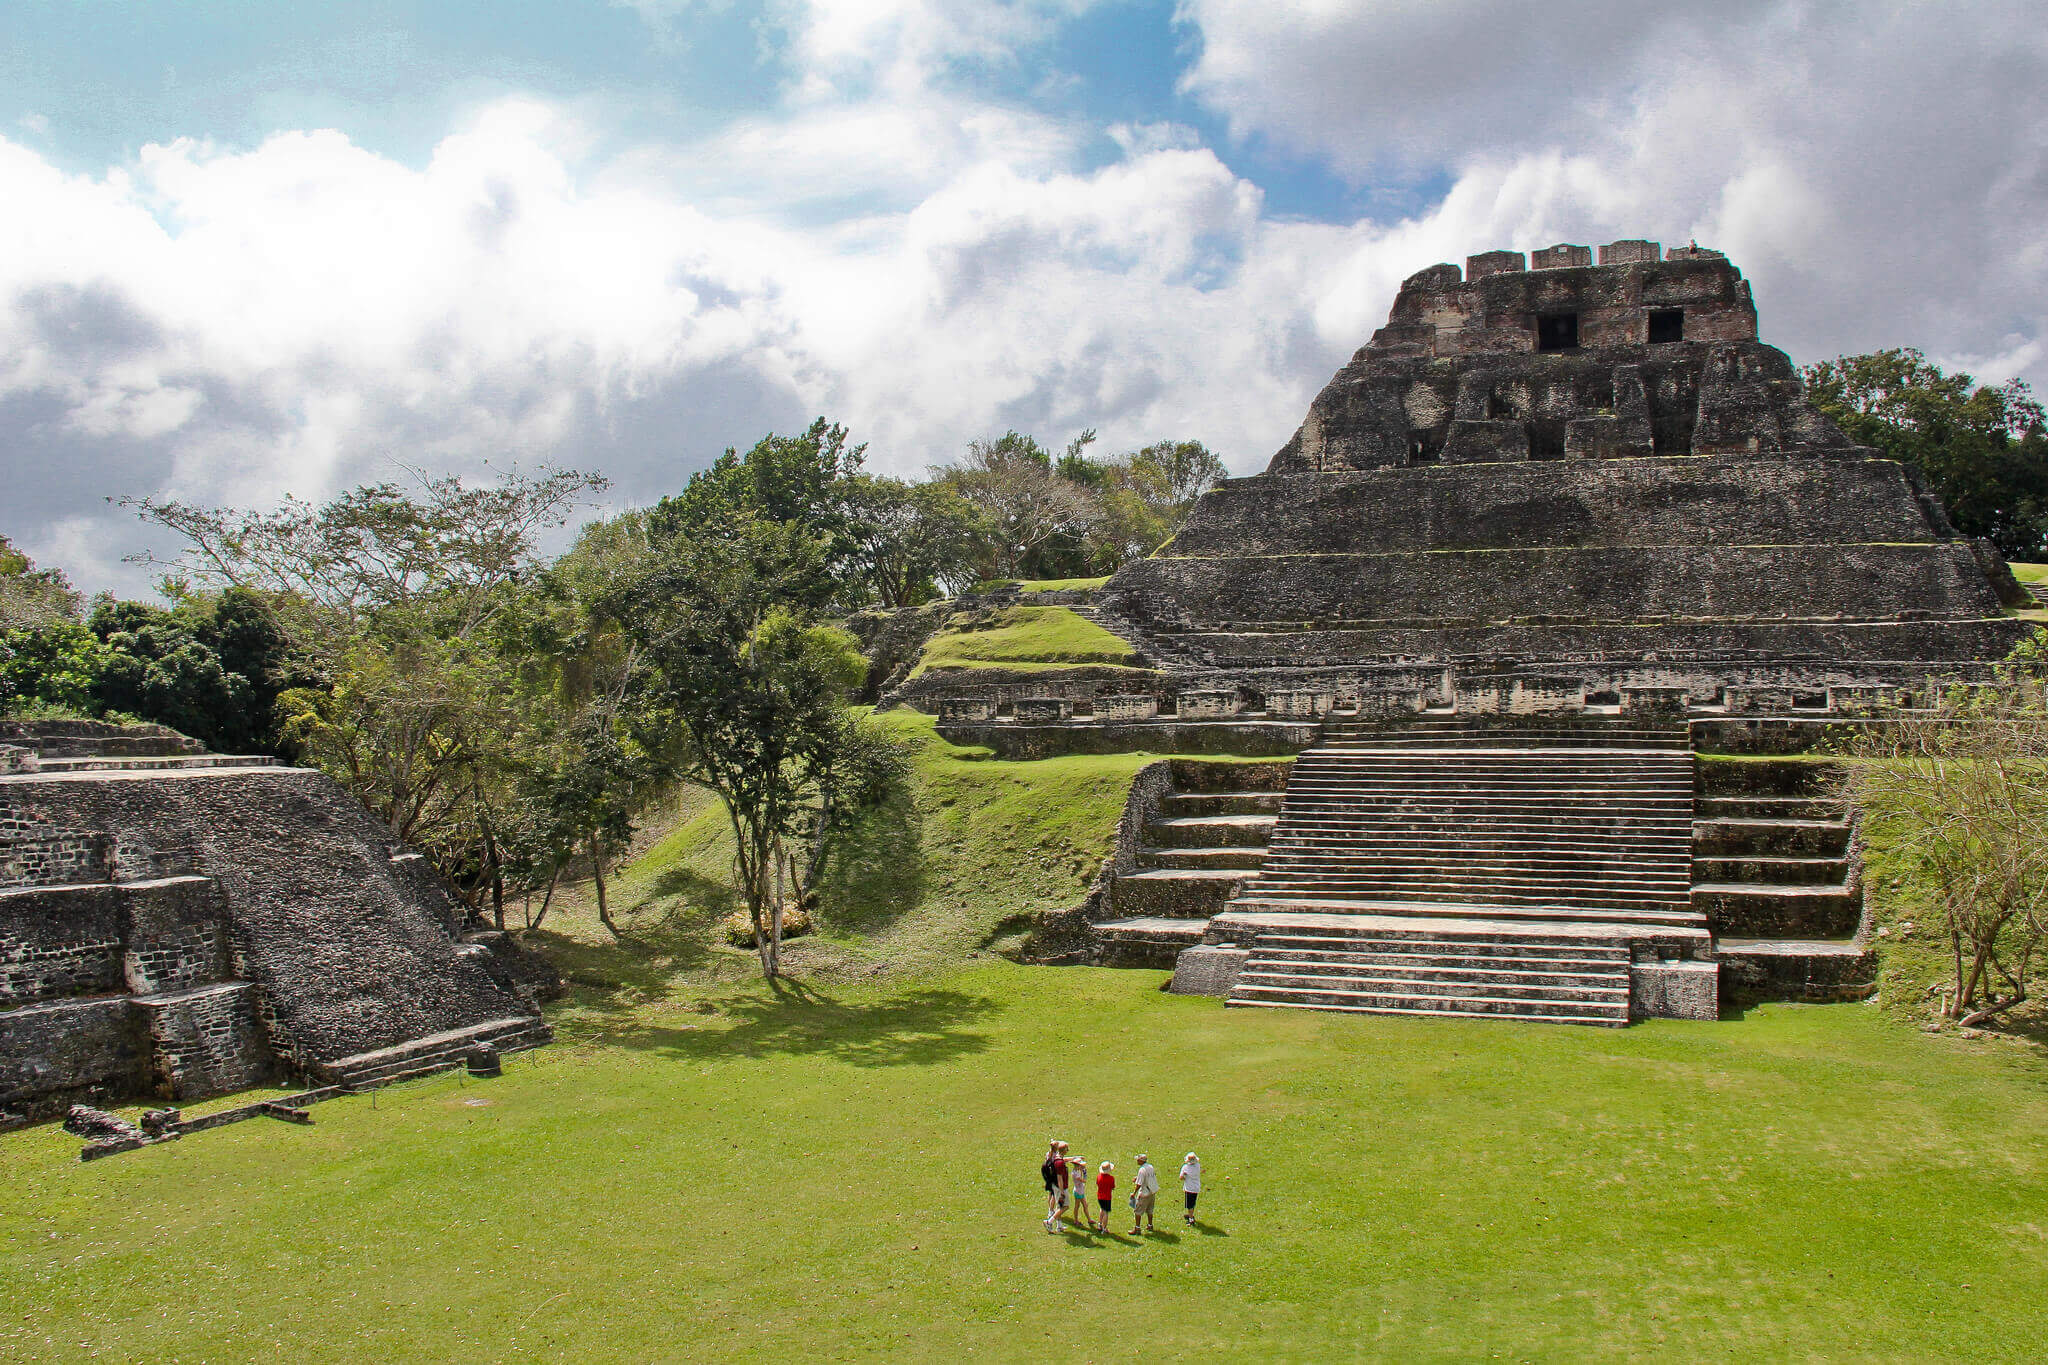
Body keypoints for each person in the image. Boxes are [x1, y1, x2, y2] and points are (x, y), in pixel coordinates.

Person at [1131, 1154, 1158, 1234]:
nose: (1137, 1161)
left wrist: (1134, 1193)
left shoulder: (1142, 1170)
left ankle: (1137, 1228)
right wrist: (1138, 1177)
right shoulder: (1150, 1166)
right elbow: (1151, 1175)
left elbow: (1139, 1184)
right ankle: (1150, 1225)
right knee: (1150, 1210)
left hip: (1144, 1193)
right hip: (1152, 1191)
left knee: (1138, 1211)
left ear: (1140, 1161)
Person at [1041, 1141, 1064, 1231]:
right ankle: (1051, 1213)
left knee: (1052, 1195)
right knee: (1055, 1197)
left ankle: (1058, 1223)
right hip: (1053, 1178)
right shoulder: (1055, 1156)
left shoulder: (1049, 1154)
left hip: (1049, 1177)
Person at [1066, 1152, 1090, 1227]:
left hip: (1080, 1191)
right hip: (1078, 1192)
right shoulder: (1075, 1174)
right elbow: (1084, 1180)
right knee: (1077, 1206)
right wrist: (1085, 1174)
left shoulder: (1077, 1171)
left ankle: (1089, 1219)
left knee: (1085, 1205)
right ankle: (1076, 1220)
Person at [1180, 1152, 1202, 1224]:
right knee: (1193, 1203)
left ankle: (1191, 1218)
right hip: (1196, 1187)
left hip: (1189, 1188)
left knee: (1189, 1205)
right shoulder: (1198, 1165)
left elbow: (1181, 1178)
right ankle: (1191, 1215)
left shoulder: (1185, 1167)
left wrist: (1184, 1174)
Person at [1094, 1161, 1116, 1233]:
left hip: (1100, 1196)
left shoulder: (1099, 1176)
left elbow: (1097, 1184)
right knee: (1106, 1212)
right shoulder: (1111, 1178)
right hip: (1107, 1197)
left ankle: (1099, 1224)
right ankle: (1104, 1228)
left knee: (1101, 1209)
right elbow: (1112, 1187)